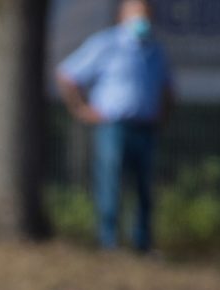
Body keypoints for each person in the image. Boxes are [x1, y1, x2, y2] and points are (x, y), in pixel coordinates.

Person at [56, 0, 175, 253]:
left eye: (146, 15)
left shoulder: (156, 50)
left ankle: (142, 243)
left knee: (144, 188)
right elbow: (67, 74)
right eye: (137, 14)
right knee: (111, 183)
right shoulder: (106, 44)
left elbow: (167, 88)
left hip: (146, 127)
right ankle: (108, 241)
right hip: (114, 127)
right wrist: (80, 108)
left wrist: (163, 115)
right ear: (122, 16)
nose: (142, 21)